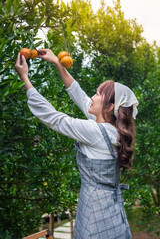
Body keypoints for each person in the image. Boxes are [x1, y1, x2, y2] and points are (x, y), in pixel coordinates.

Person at [15, 49, 139, 239]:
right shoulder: (113, 129)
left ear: (110, 107)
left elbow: (54, 118)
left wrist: (25, 79)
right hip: (113, 214)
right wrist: (58, 63)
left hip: (94, 214)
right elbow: (79, 95)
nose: (92, 96)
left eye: (98, 94)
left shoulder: (94, 132)